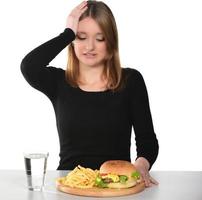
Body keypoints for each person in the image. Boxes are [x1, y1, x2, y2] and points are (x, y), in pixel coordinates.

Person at [20, 0, 159, 187]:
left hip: (115, 187)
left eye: (100, 38)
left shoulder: (131, 80)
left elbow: (147, 141)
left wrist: (141, 165)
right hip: (70, 186)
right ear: (72, 42)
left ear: (111, 43)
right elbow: (29, 66)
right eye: (81, 37)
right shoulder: (58, 82)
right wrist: (67, 33)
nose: (89, 46)